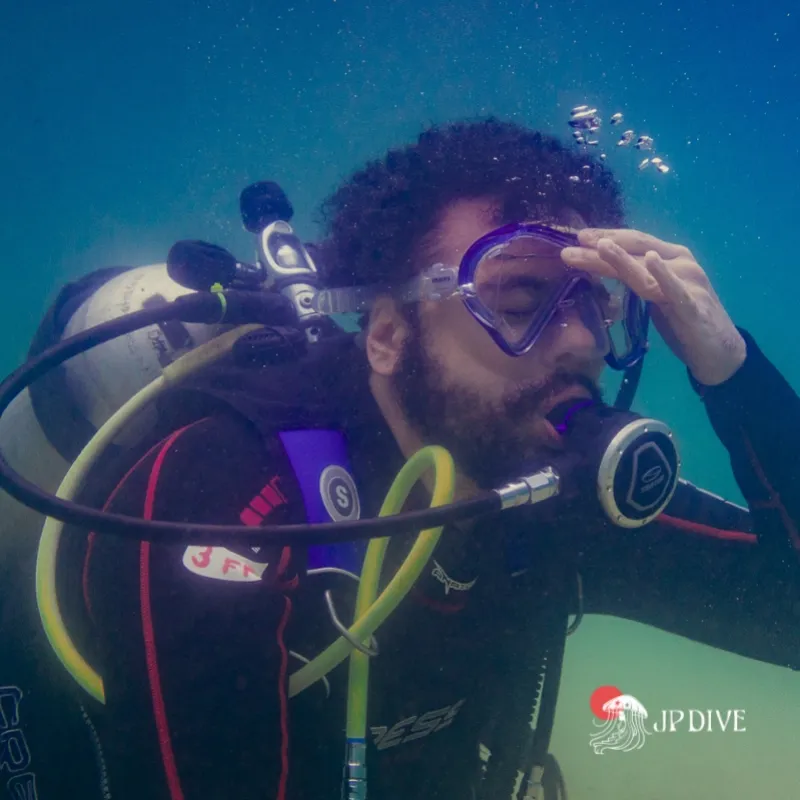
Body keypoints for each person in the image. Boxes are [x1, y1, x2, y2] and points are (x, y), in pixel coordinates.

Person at [3, 117, 799, 800]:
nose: (583, 343)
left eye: (597, 303)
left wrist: (731, 370)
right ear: (386, 336)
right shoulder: (225, 495)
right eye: (519, 303)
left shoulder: (559, 492)